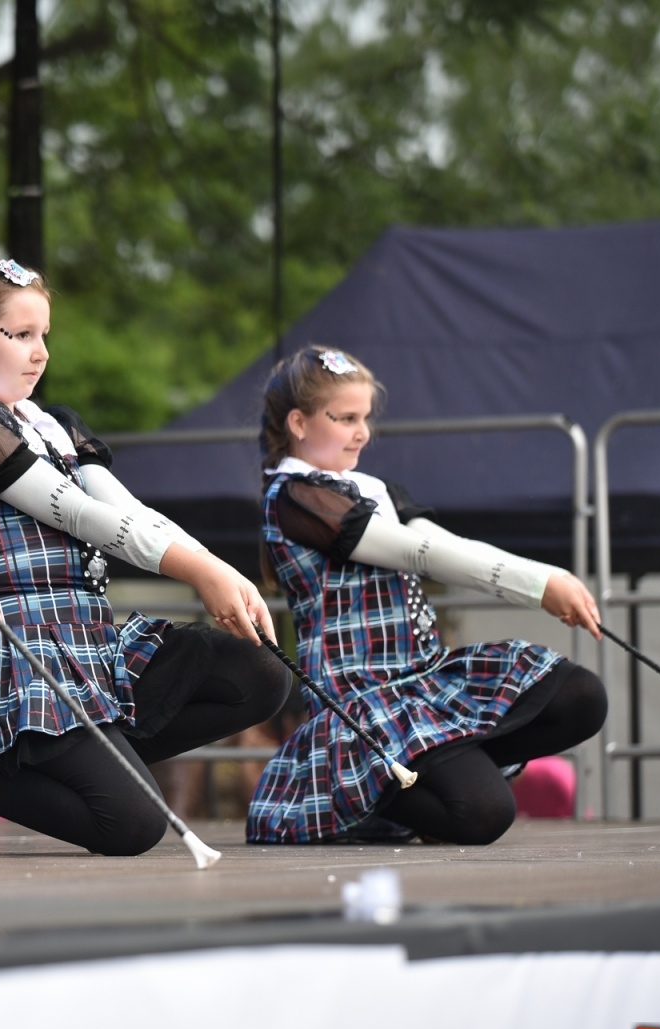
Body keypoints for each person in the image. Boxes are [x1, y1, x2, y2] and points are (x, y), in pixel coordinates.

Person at [0, 259, 294, 857]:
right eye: (20, 335)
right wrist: (198, 571)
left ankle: (99, 758)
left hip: (93, 643)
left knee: (260, 674)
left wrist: (216, 566)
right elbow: (77, 512)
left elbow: (128, 509)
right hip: (21, 658)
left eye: (44, 335)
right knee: (134, 826)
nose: (40, 352)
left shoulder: (55, 424)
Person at [249, 345, 607, 845]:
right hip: (363, 698)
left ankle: (440, 772)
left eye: (365, 418)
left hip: (423, 680)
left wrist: (547, 575)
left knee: (582, 697)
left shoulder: (372, 488)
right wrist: (535, 586)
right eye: (346, 418)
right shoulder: (296, 497)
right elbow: (420, 553)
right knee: (484, 815)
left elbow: (449, 544)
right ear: (299, 423)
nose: (362, 432)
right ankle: (366, 787)